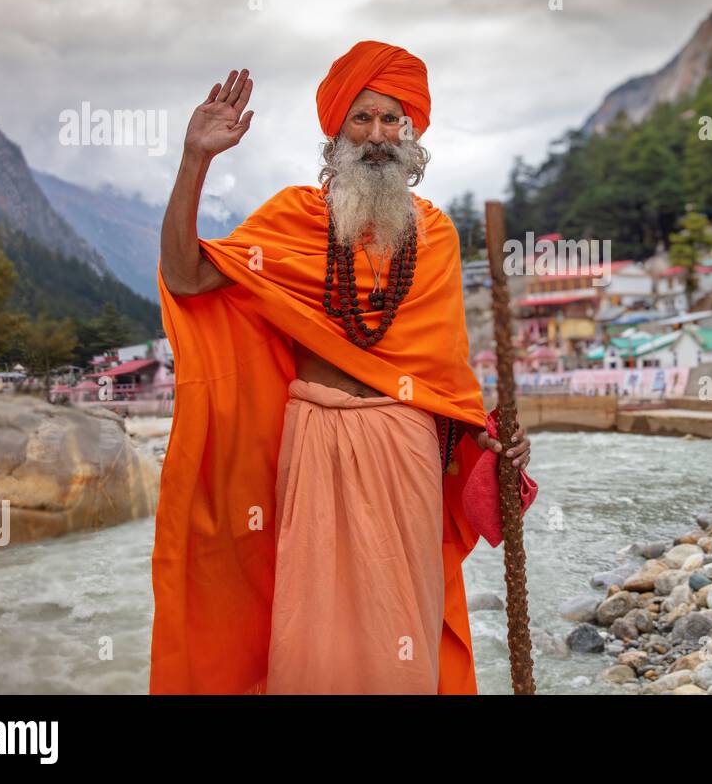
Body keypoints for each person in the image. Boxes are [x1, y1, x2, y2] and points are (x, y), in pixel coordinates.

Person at [151, 44, 536, 695]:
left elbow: (446, 375)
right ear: (336, 131)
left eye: (392, 119)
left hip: (405, 453)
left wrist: (490, 440)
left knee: (398, 628)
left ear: (411, 134)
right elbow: (186, 278)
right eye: (362, 119)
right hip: (314, 443)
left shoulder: (436, 236)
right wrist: (196, 160)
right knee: (310, 632)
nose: (378, 135)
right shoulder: (292, 219)